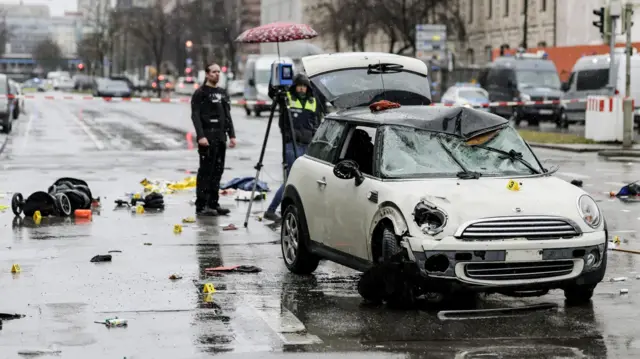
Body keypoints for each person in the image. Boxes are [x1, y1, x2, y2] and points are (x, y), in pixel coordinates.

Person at [263, 73, 322, 221]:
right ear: (294, 86)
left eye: (304, 86)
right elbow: (272, 93)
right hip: (291, 144)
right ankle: (271, 210)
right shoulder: (287, 99)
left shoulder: (313, 101)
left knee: (304, 180)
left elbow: (317, 121)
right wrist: (275, 74)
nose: (302, 89)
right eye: (299, 86)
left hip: (307, 145)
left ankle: (295, 210)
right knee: (291, 179)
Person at [190, 62, 237, 216]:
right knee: (206, 172)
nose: (217, 74)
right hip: (207, 137)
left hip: (220, 137)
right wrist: (201, 136)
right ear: (207, 74)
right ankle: (202, 205)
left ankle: (213, 203)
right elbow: (195, 116)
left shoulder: (223, 93)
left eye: (218, 72)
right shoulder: (200, 93)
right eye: (214, 72)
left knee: (218, 171)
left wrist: (232, 135)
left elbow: (227, 115)